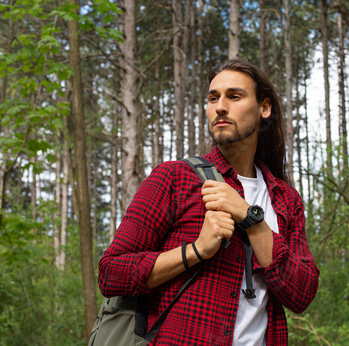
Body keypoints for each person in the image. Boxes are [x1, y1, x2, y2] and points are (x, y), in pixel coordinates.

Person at [98, 59, 319, 345]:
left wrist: (251, 219)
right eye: (213, 98)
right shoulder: (174, 178)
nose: (220, 106)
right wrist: (196, 250)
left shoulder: (285, 200)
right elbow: (111, 273)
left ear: (264, 108)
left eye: (234, 96)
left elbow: (302, 293)